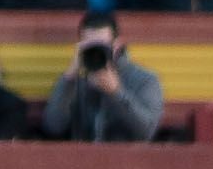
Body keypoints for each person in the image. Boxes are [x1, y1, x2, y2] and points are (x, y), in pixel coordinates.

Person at [40, 9, 162, 142]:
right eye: (90, 46)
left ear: (117, 45)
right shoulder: (76, 79)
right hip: (82, 157)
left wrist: (117, 93)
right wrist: (69, 78)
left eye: (102, 46)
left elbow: (145, 132)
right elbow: (53, 127)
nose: (96, 51)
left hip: (127, 159)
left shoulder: (145, 80)